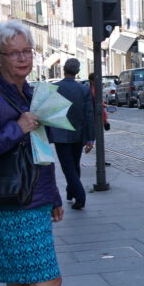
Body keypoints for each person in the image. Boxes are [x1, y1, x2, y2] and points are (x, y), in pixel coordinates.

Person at [0, 20, 70, 286]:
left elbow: (40, 149)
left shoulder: (29, 91)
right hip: (12, 204)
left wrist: (52, 193)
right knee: (47, 285)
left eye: (27, 51)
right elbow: (14, 138)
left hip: (31, 198)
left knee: (20, 283)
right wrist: (16, 128)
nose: (23, 58)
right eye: (14, 53)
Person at [47, 59, 94, 211]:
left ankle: (79, 196)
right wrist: (90, 138)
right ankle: (71, 191)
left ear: (63, 70)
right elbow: (89, 115)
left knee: (68, 167)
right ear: (77, 72)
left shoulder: (54, 88)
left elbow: (48, 112)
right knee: (74, 164)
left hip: (60, 134)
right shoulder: (83, 90)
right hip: (78, 133)